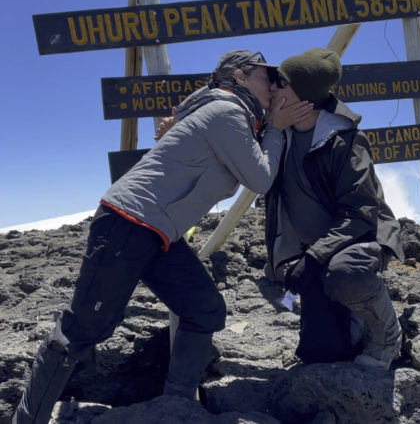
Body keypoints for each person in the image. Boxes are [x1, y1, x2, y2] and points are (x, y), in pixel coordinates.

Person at [12, 50, 313, 424]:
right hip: (128, 222)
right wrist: (277, 128)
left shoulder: (229, 113)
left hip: (157, 233)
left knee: (204, 309)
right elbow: (260, 178)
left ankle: (175, 406)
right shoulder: (227, 112)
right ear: (239, 76)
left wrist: (269, 125)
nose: (274, 84)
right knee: (80, 332)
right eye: (267, 77)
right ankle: (27, 419)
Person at [264, 48, 405, 369]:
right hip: (318, 249)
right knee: (321, 353)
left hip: (359, 239)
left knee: (344, 274)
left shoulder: (345, 142)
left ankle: (387, 334)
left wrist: (313, 259)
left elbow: (360, 213)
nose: (272, 88)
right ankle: (353, 316)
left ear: (304, 98)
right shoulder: (280, 134)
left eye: (281, 83)